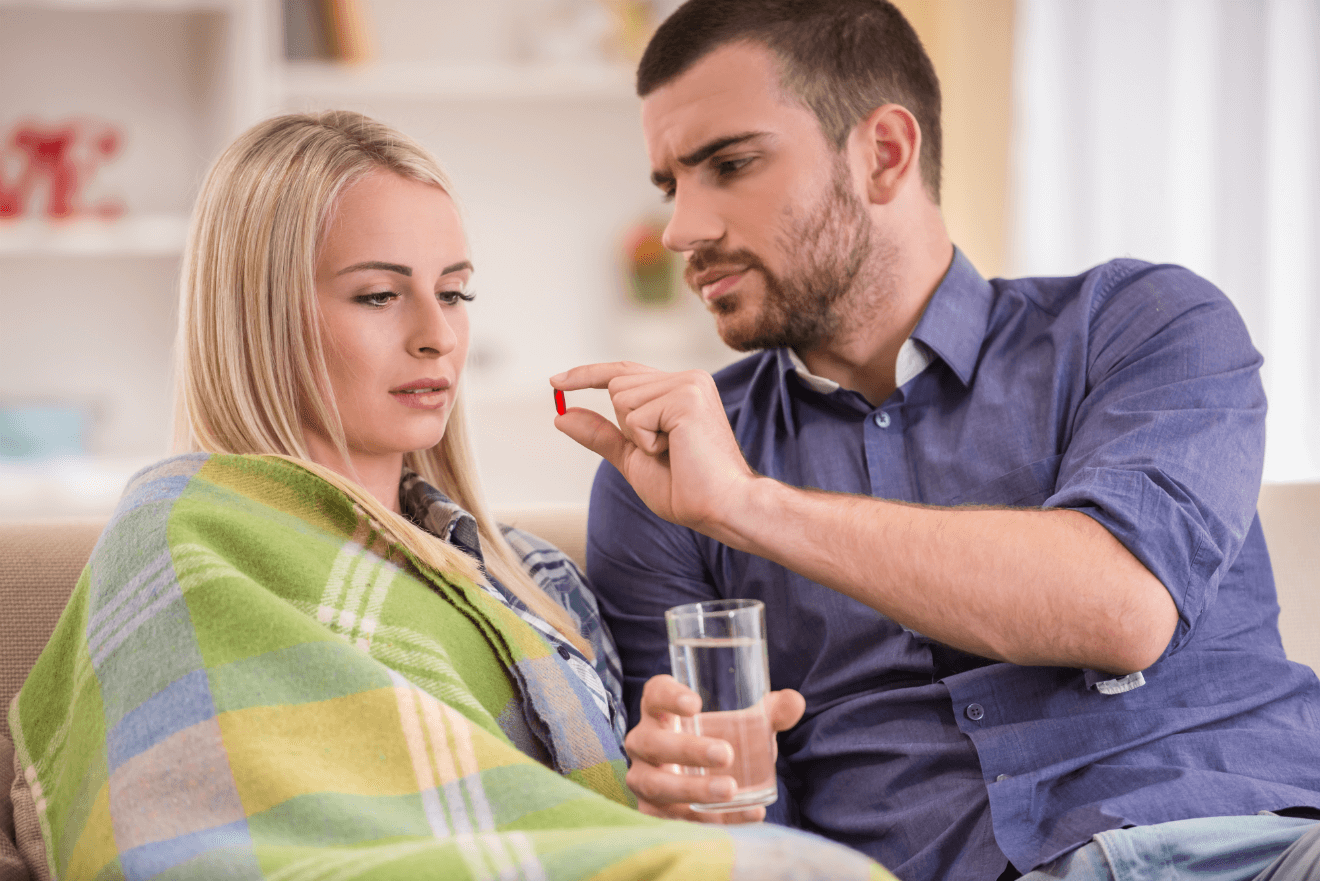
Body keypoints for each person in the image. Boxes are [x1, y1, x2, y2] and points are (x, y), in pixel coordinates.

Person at [5, 110, 890, 881]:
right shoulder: (180, 536)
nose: (438, 336)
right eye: (381, 294)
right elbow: (196, 825)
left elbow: (571, 835)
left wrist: (677, 802)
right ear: (260, 311)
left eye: (456, 292)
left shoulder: (540, 577)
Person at [549, 2, 1320, 880]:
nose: (683, 229)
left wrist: (750, 507)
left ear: (884, 153)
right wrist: (694, 797)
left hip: (1261, 847)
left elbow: (1123, 606)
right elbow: (757, 834)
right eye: (669, 186)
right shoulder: (658, 476)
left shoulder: (1142, 324)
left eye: (729, 164)